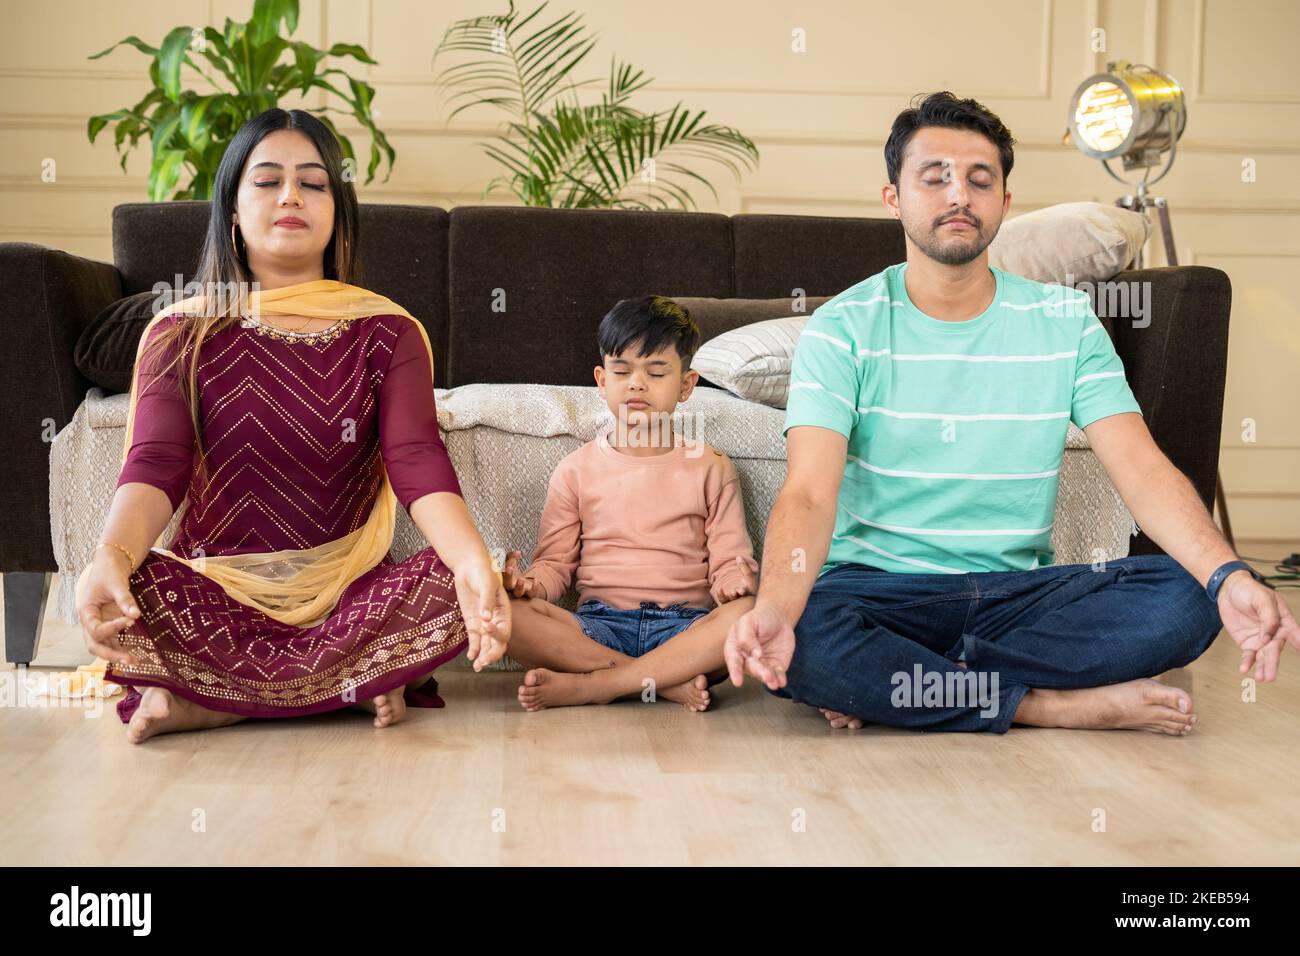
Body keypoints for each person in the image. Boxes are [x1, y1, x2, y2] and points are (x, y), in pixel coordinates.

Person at [723, 91, 1299, 734]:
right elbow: (807, 494)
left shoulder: (1065, 322)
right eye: (933, 177)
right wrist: (775, 606)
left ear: (1004, 202)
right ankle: (1038, 704)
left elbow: (1142, 470)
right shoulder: (840, 328)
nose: (958, 197)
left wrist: (1231, 577)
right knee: (805, 631)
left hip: (1018, 597)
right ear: (894, 198)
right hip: (880, 593)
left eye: (979, 180)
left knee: (1191, 596)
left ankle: (912, 683)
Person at [76, 108, 510, 744]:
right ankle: (348, 684)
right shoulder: (182, 333)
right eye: (267, 180)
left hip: (347, 598)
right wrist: (109, 558)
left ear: (337, 211)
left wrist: (472, 561)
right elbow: (157, 465)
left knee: (454, 576)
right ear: (231, 208)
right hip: (218, 593)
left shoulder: (386, 331)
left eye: (313, 182)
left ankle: (214, 700)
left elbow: (415, 457)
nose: (291, 196)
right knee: (127, 582)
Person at [499, 296, 758, 711]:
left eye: (656, 372)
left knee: (747, 613)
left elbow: (730, 561)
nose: (637, 384)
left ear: (686, 385)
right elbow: (554, 566)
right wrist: (527, 586)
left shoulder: (712, 467)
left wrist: (735, 584)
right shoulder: (576, 469)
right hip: (597, 628)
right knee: (503, 614)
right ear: (602, 380)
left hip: (684, 630)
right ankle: (660, 683)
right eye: (622, 371)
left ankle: (598, 685)